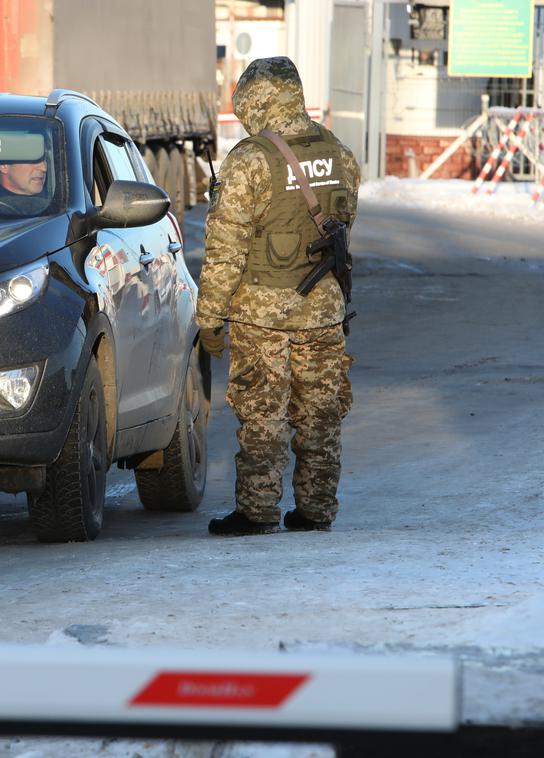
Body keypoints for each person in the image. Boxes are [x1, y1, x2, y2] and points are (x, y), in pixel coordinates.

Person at [197, 56, 360, 536]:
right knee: (321, 411)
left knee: (262, 412)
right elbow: (344, 226)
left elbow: (226, 248)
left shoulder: (249, 160)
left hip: (262, 314)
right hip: (324, 308)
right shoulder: (339, 153)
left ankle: (259, 510)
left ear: (254, 100)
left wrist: (210, 316)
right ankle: (316, 509)